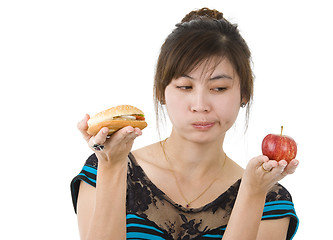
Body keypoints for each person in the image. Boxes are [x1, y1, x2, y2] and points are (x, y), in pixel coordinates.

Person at [71, 7, 299, 240]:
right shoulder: (102, 169)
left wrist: (252, 192)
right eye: (185, 87)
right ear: (161, 92)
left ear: (244, 94)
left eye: (218, 88)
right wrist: (111, 166)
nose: (200, 105)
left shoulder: (270, 200)